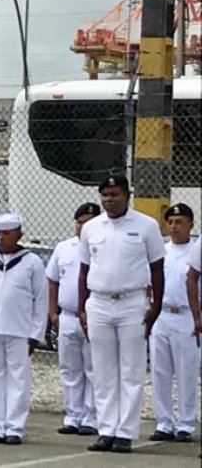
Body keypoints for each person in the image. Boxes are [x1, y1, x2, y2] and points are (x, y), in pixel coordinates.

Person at [78, 175, 165, 454]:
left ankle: (125, 432)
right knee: (103, 371)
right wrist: (82, 307)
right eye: (104, 194)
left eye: (114, 194)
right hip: (99, 303)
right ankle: (106, 430)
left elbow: (157, 270)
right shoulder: (91, 227)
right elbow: (83, 270)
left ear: (127, 195)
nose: (109, 200)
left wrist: (155, 308)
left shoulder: (146, 226)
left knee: (131, 370)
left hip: (132, 303)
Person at [0, 213, 47, 445]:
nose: (1, 238)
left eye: (7, 233)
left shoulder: (32, 262)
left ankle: (14, 427)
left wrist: (35, 334)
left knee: (18, 379)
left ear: (19, 234)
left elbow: (40, 299)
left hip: (20, 330)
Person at [45, 202, 101, 436]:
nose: (82, 226)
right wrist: (52, 312)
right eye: (79, 222)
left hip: (93, 316)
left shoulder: (102, 247)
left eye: (87, 222)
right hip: (67, 316)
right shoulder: (64, 247)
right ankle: (72, 415)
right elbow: (53, 280)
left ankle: (91, 417)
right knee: (69, 369)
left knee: (93, 369)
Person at [149, 203, 199, 443]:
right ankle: (164, 422)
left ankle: (186, 424)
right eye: (170, 222)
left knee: (186, 371)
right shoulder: (161, 251)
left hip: (187, 315)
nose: (174, 226)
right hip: (161, 315)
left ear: (191, 224)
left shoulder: (196, 251)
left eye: (179, 222)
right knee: (160, 371)